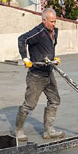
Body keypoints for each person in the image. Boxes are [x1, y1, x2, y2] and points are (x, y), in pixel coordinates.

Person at [14, 8, 65, 141]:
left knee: (55, 100)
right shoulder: (38, 32)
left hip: (48, 72)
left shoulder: (54, 31)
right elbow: (22, 39)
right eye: (51, 21)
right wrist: (25, 57)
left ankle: (49, 131)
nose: (54, 24)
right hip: (36, 75)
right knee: (29, 105)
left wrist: (54, 58)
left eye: (55, 21)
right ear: (44, 20)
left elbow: (47, 48)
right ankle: (18, 131)